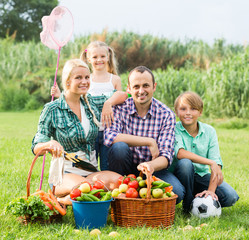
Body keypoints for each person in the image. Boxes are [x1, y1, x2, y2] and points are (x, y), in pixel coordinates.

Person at [32, 59, 127, 204]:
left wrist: (108, 103)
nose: (84, 81)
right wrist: (49, 143)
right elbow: (36, 146)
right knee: (87, 189)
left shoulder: (92, 102)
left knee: (122, 184)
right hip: (65, 175)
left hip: (91, 172)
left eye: (87, 77)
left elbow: (122, 94)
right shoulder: (52, 109)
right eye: (78, 78)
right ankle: (61, 200)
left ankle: (71, 199)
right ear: (68, 81)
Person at [104, 66, 185, 204]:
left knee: (177, 192)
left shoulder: (166, 114)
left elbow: (166, 157)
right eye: (136, 86)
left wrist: (149, 166)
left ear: (154, 86)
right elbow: (110, 137)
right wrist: (148, 141)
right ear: (129, 89)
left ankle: (140, 199)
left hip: (153, 170)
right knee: (119, 148)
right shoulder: (120, 108)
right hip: (124, 169)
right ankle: (120, 197)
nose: (141, 91)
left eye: (146, 85)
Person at [52, 41, 122, 171]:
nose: (99, 60)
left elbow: (121, 97)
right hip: (90, 132)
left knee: (107, 167)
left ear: (108, 56)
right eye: (95, 57)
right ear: (88, 58)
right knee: (90, 166)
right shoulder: (86, 79)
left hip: (108, 130)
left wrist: (109, 103)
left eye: (102, 56)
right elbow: (74, 99)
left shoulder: (115, 80)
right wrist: (59, 95)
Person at [171, 91, 239, 213]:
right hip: (181, 175)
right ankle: (187, 205)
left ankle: (199, 198)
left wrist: (211, 191)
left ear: (200, 112)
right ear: (176, 112)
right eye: (183, 109)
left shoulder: (209, 131)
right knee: (185, 163)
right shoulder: (174, 129)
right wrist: (210, 162)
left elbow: (216, 161)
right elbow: (180, 153)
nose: (188, 113)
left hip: (201, 175)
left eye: (193, 109)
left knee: (230, 197)